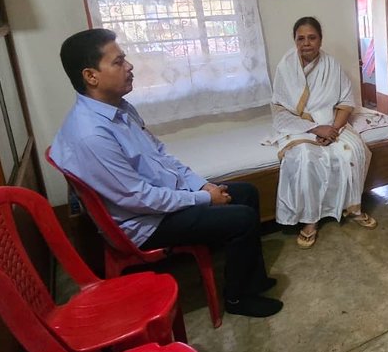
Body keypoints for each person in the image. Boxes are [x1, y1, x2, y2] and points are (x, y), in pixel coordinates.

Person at [50, 28, 282, 318]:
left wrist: (202, 185)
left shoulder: (120, 108)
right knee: (243, 218)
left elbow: (160, 155)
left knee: (246, 192)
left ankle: (253, 279)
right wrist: (203, 199)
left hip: (158, 200)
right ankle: (238, 299)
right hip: (145, 223)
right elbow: (139, 199)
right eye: (118, 62)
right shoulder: (92, 134)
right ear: (91, 76)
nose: (130, 66)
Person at [269, 17, 377, 248]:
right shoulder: (285, 66)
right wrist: (315, 128)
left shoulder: (332, 65)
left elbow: (346, 101)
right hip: (298, 124)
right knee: (305, 157)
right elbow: (280, 109)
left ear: (320, 39)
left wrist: (334, 130)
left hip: (331, 122)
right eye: (301, 38)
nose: (306, 43)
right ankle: (310, 220)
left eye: (312, 37)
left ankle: (353, 207)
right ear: (294, 41)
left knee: (354, 151)